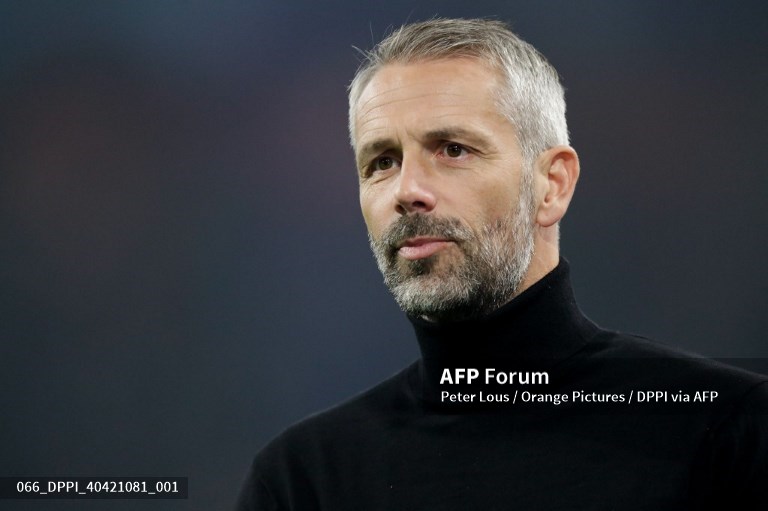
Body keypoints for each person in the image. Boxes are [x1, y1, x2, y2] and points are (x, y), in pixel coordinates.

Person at [237, 18, 768, 510]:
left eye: (452, 149)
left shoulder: (725, 429)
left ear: (552, 185)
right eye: (382, 161)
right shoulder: (304, 478)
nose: (407, 191)